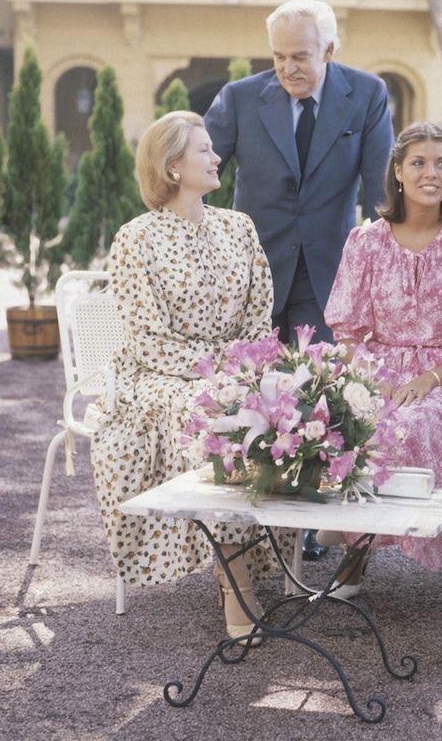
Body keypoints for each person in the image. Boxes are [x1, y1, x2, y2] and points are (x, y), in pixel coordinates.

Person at [205, 0, 394, 561]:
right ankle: (251, 522)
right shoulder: (240, 99)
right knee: (252, 392)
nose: (288, 67)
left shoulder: (365, 94)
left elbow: (380, 190)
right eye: (279, 56)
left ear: (330, 51)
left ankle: (308, 524)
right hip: (254, 271)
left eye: (302, 56)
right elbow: (199, 166)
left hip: (326, 270)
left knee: (314, 398)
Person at [90, 111, 279, 645]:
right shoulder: (136, 239)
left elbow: (259, 314)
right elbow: (145, 339)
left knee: (286, 403)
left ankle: (267, 562)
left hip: (237, 366)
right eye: (203, 150)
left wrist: (241, 365)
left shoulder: (238, 226)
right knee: (212, 412)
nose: (217, 157)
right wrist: (215, 372)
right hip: (159, 375)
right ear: (172, 167)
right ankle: (233, 575)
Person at [322, 122, 442, 597]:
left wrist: (429, 378)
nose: (432, 173)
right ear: (398, 172)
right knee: (333, 421)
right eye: (419, 163)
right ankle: (346, 529)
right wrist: (369, 380)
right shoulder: (365, 243)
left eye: (441, 163)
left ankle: (355, 547)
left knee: (409, 425)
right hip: (375, 373)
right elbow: (346, 333)